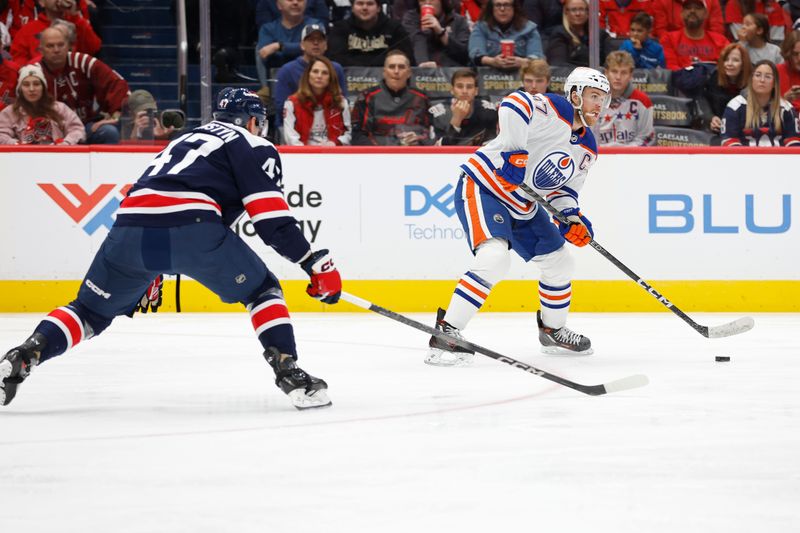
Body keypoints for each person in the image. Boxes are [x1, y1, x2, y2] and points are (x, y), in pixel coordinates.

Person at [0, 87, 343, 410]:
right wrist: (312, 263)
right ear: (253, 121)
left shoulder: (185, 139)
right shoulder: (252, 144)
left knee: (89, 312)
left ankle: (27, 352)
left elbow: (151, 194)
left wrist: (151, 266)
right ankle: (290, 374)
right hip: (193, 226)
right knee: (262, 290)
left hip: (129, 228)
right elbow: (270, 219)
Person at [424, 66, 610, 366]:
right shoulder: (557, 108)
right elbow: (513, 103)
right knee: (494, 258)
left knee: (561, 261)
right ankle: (447, 333)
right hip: (486, 186)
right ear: (575, 95)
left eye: (604, 98)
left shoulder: (588, 148)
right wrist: (514, 151)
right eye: (594, 96)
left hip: (524, 203)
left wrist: (571, 217)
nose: (600, 105)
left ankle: (552, 329)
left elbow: (562, 192)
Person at [34, 27, 129, 144]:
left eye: (61, 45)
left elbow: (117, 83)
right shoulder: (33, 72)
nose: (56, 50)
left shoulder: (82, 61)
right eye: (50, 46)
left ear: (69, 46)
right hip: (49, 131)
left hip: (86, 126)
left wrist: (115, 116)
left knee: (109, 132)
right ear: (40, 49)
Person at [273, 23, 347, 132]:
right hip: (293, 125)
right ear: (302, 45)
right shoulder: (287, 70)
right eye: (311, 39)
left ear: (326, 45)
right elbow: (280, 107)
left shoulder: (336, 69)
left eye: (320, 40)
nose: (316, 43)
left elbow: (341, 101)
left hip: (329, 125)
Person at [351, 49, 434, 145]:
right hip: (377, 156)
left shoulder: (422, 98)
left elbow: (432, 133)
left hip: (414, 154)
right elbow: (358, 135)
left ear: (409, 73)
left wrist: (419, 140)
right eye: (391, 67)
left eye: (401, 67)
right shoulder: (366, 97)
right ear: (384, 72)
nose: (396, 71)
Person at [0, 63, 84, 144]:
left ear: (43, 87)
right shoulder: (10, 112)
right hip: (22, 156)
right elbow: (1, 135)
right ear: (20, 89)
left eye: (36, 84)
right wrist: (17, 144)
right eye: (26, 85)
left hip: (56, 156)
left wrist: (65, 143)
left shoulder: (60, 108)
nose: (31, 89)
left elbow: (77, 130)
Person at [721, 59, 800, 146]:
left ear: (774, 83)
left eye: (768, 76)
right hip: (744, 158)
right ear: (751, 80)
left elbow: (794, 141)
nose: (762, 80)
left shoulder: (786, 108)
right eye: (758, 75)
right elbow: (729, 140)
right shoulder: (736, 106)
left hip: (778, 159)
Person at [282, 56, 352, 145]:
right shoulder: (292, 103)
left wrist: (334, 143)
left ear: (330, 78)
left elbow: (347, 134)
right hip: (302, 155)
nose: (319, 76)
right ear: (308, 75)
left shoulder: (341, 102)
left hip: (333, 153)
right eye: (315, 71)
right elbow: (290, 137)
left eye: (325, 73)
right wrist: (307, 152)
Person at [327, 0, 416, 67]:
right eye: (360, 3)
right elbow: (335, 60)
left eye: (370, 3)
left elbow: (406, 59)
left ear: (378, 8)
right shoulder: (340, 28)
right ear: (352, 8)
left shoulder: (394, 28)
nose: (365, 8)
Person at [255, 0, 322, 87]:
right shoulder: (267, 29)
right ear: (279, 5)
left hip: (311, 82)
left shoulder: (314, 25)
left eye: (300, 0)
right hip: (276, 81)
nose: (295, 2)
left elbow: (314, 48)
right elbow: (264, 54)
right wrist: (300, 49)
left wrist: (279, 46)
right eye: (289, 0)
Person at [592, 51, 654, 146]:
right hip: (599, 156)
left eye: (624, 73)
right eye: (614, 71)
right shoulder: (592, 100)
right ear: (606, 73)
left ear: (630, 75)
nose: (618, 77)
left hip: (631, 158)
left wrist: (626, 152)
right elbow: (585, 135)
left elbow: (647, 137)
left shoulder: (643, 101)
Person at [10, 0, 100, 64]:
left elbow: (94, 48)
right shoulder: (27, 30)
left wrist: (74, 15)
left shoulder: (77, 23)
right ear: (41, 2)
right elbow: (19, 64)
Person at [468, 0, 544, 70]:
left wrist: (522, 62)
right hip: (488, 76)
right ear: (491, 8)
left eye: (507, 5)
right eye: (498, 5)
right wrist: (492, 61)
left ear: (514, 8)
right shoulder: (481, 27)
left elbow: (537, 57)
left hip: (522, 75)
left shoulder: (529, 28)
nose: (502, 9)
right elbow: (475, 55)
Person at [429, 68, 498, 144]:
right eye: (459, 86)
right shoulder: (439, 113)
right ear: (452, 90)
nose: (464, 91)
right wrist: (457, 118)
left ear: (476, 91)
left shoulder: (489, 111)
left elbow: (492, 145)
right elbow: (440, 150)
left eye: (469, 87)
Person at [661, 0, 729, 70]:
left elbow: (727, 68)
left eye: (698, 8)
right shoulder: (669, 39)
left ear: (706, 14)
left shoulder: (721, 41)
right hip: (680, 79)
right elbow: (671, 68)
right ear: (681, 13)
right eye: (688, 8)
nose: (692, 11)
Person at [402, 0, 470, 67]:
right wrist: (424, 64)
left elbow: (464, 55)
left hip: (452, 71)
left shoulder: (458, 20)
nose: (427, 2)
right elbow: (417, 40)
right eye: (422, 0)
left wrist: (441, 33)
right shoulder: (411, 19)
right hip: (423, 71)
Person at [703, 42, 752, 133]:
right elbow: (704, 100)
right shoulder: (714, 77)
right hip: (718, 130)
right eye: (726, 60)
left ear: (743, 64)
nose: (729, 64)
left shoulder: (753, 80)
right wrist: (711, 118)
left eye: (735, 60)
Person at [546, 0, 611, 67]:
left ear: (588, 12)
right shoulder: (559, 34)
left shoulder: (599, 35)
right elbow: (558, 64)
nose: (578, 13)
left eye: (582, 9)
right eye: (573, 10)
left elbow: (609, 63)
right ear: (566, 12)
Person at [120, 89, 185, 142]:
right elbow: (127, 154)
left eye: (150, 110)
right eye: (143, 112)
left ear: (155, 104)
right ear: (131, 113)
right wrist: (135, 134)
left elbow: (181, 147)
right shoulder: (129, 126)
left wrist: (163, 138)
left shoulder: (171, 118)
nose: (148, 115)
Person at [725, 0, 792, 44]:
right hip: (741, 50)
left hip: (769, 50)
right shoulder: (734, 3)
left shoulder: (774, 6)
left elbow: (777, 40)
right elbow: (741, 37)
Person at [651, 0, 724, 38]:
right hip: (672, 47)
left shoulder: (712, 1)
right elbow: (660, 31)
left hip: (705, 47)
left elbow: (717, 29)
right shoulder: (660, 2)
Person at [777, 29, 800, 113]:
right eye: (795, 54)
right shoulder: (776, 71)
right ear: (788, 53)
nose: (799, 58)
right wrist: (784, 100)